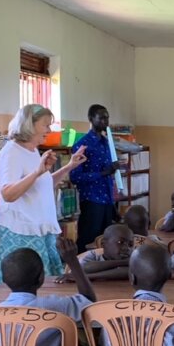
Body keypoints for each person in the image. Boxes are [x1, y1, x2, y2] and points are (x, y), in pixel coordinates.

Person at [0, 104, 87, 284]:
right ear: (30, 124)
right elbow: (8, 194)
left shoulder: (33, 150)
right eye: (46, 125)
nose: (49, 130)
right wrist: (37, 171)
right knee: (27, 283)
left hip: (39, 228)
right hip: (22, 231)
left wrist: (69, 166)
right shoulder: (12, 152)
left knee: (45, 282)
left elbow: (42, 185)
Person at [69, 104, 123, 251]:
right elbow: (75, 177)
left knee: (107, 242)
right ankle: (81, 271)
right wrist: (103, 173)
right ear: (91, 119)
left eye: (107, 118)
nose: (106, 122)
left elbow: (109, 176)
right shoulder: (82, 145)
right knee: (88, 242)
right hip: (92, 200)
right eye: (101, 118)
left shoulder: (107, 143)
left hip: (107, 200)